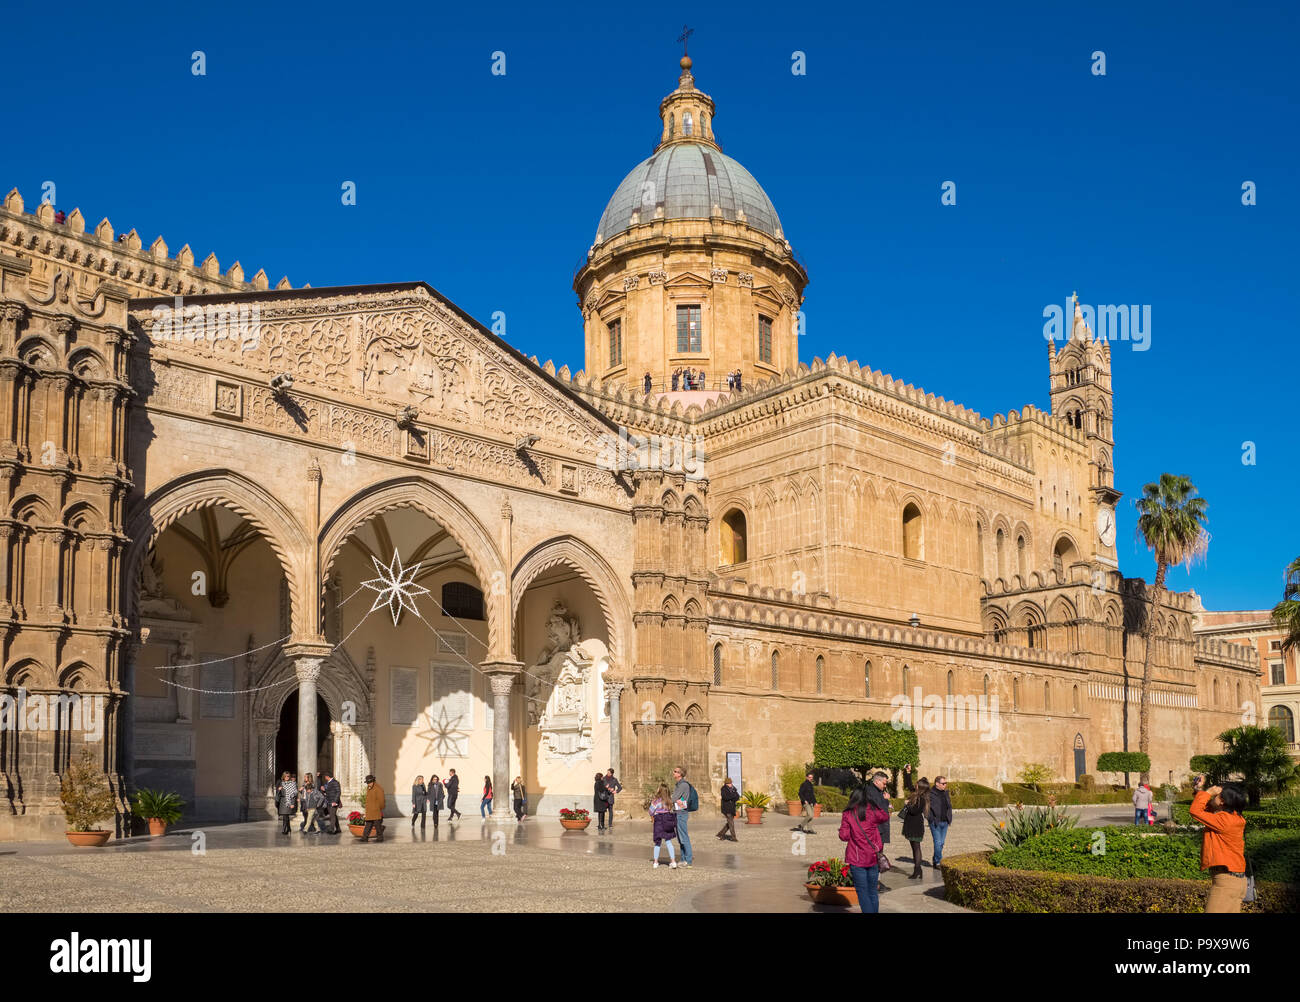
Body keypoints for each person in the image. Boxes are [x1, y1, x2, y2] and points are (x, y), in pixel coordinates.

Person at [1190, 774, 1248, 913]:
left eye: (1217, 794)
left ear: (1222, 801)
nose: (1213, 795)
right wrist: (1200, 790)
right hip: (1234, 881)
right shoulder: (1231, 817)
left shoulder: (1224, 821)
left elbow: (1195, 811)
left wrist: (1208, 792)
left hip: (1226, 882)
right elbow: (1206, 809)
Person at [839, 786, 891, 913]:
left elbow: (844, 836)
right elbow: (885, 816)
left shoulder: (848, 813)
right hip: (873, 856)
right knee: (872, 891)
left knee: (862, 892)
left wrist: (846, 830)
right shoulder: (872, 811)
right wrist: (880, 803)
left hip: (857, 858)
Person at [864, 771, 892, 892]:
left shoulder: (876, 791)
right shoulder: (871, 792)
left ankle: (876, 882)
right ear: (877, 781)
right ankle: (874, 884)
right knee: (876, 856)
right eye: (884, 783)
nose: (885, 786)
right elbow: (879, 810)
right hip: (876, 829)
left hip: (878, 829)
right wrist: (886, 801)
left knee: (877, 856)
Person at [898, 776, 930, 879]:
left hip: (916, 826)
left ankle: (917, 870)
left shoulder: (922, 798)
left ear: (920, 787)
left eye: (917, 784)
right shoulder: (916, 795)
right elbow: (908, 784)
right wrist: (907, 773)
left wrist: (907, 805)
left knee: (916, 848)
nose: (915, 785)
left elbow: (914, 811)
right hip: (912, 825)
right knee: (914, 847)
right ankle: (918, 870)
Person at [927, 775, 953, 868]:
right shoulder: (930, 794)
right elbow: (926, 808)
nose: (945, 785)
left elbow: (949, 806)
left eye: (946, 783)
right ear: (937, 784)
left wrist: (949, 817)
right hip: (935, 822)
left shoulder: (945, 793)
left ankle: (935, 859)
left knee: (941, 843)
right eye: (943, 783)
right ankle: (939, 862)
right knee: (937, 843)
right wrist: (930, 818)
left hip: (945, 822)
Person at [649, 785, 678, 868]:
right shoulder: (669, 801)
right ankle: (673, 861)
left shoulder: (656, 801)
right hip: (667, 821)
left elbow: (650, 811)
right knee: (668, 841)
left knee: (658, 842)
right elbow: (672, 810)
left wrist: (653, 816)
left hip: (658, 821)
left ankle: (655, 862)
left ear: (660, 791)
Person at [671, 765, 694, 867]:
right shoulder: (678, 784)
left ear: (680, 774)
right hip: (677, 812)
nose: (673, 773)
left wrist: (672, 799)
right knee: (680, 837)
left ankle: (688, 860)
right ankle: (683, 858)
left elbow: (673, 798)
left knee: (684, 836)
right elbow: (675, 798)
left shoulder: (683, 785)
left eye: (675, 771)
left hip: (681, 813)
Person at [361, 774, 386, 842]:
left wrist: (379, 808)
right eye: (367, 783)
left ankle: (380, 838)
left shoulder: (378, 789)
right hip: (370, 811)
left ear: (373, 781)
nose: (368, 784)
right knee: (368, 824)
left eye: (369, 782)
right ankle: (364, 837)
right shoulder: (369, 788)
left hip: (375, 810)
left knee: (377, 825)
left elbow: (381, 800)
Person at [717, 776, 739, 841]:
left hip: (732, 808)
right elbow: (725, 797)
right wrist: (733, 796)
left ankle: (720, 834)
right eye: (729, 783)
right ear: (726, 784)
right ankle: (733, 837)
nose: (730, 784)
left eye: (731, 783)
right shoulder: (723, 789)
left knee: (729, 823)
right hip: (726, 808)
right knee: (731, 823)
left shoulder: (733, 789)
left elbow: (737, 797)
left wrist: (732, 796)